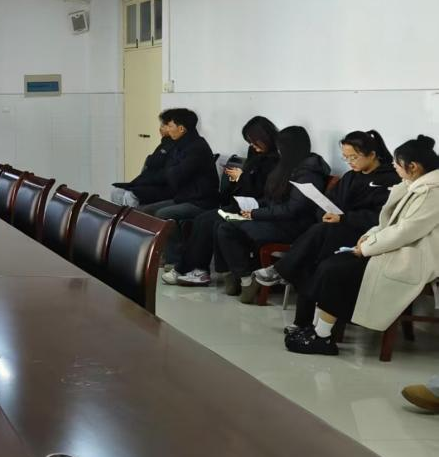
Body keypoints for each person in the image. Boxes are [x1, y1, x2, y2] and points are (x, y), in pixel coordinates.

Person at [286, 135, 439, 355]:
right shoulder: (413, 185)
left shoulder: (432, 192)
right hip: (395, 247)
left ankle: (322, 336)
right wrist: (369, 236)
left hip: (413, 256)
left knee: (337, 269)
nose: (394, 167)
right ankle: (318, 331)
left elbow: (406, 231)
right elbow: (387, 222)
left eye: (397, 163)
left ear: (413, 167)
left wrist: (366, 248)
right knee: (330, 263)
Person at [253, 130, 400, 332]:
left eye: (354, 157)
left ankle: (282, 271)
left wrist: (344, 218)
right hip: (336, 231)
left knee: (317, 240)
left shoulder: (389, 180)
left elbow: (381, 217)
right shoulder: (350, 177)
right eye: (346, 158)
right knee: (310, 259)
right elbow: (329, 201)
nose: (350, 162)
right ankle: (301, 322)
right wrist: (325, 212)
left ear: (372, 154)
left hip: (364, 236)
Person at [213, 125, 331, 303]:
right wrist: (253, 207)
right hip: (276, 220)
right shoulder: (288, 166)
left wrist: (256, 214)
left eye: (281, 148)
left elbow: (293, 209)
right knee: (223, 224)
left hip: (293, 227)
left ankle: (245, 279)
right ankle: (241, 277)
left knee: (229, 230)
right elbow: (272, 198)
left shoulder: (308, 173)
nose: (278, 152)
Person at [166, 116, 280, 285]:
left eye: (255, 142)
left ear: (265, 137)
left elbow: (263, 189)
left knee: (207, 221)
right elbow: (248, 182)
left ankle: (194, 270)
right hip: (240, 202)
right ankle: (192, 269)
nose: (253, 146)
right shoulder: (255, 153)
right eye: (249, 142)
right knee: (202, 219)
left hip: (255, 207)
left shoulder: (276, 160)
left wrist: (242, 177)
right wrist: (238, 179)